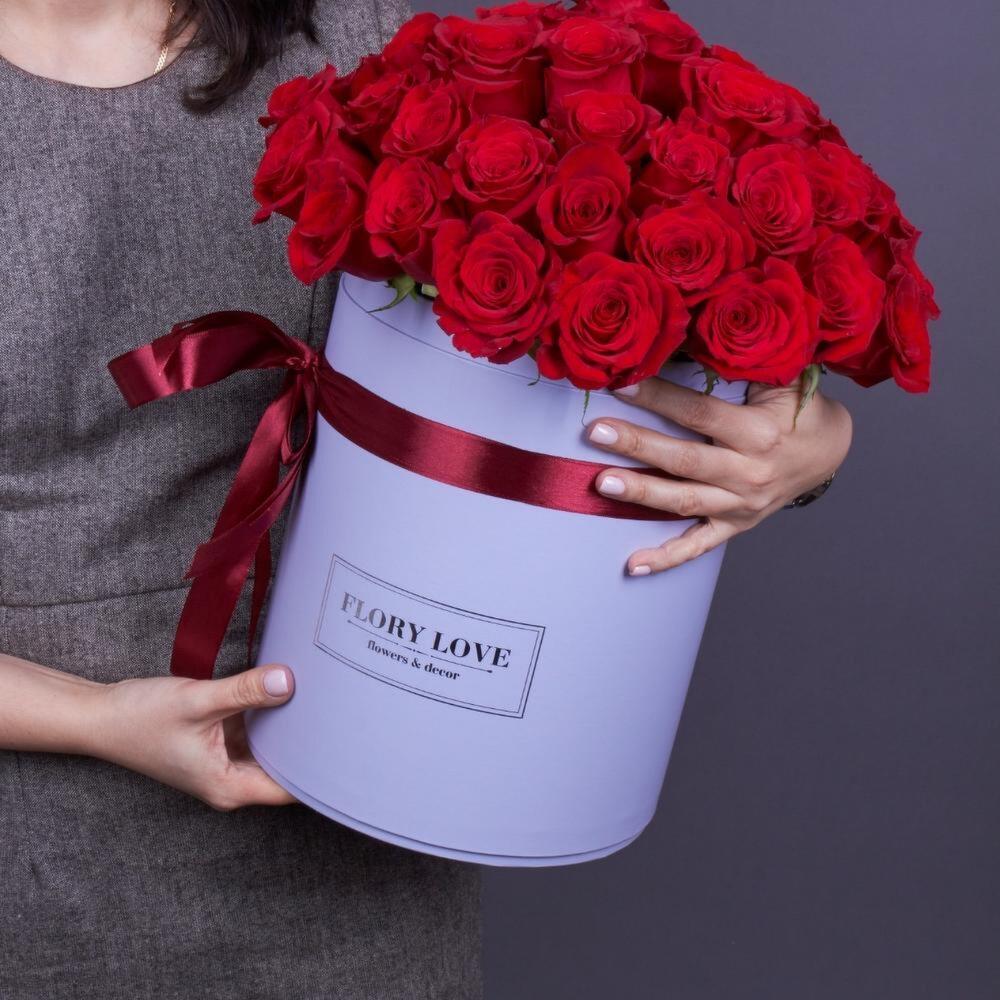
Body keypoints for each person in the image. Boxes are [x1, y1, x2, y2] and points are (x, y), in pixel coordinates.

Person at [0, 1, 851, 997]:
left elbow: (554, 389)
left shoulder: (359, 35)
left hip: (365, 826)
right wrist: (97, 718)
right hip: (39, 863)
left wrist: (808, 444)